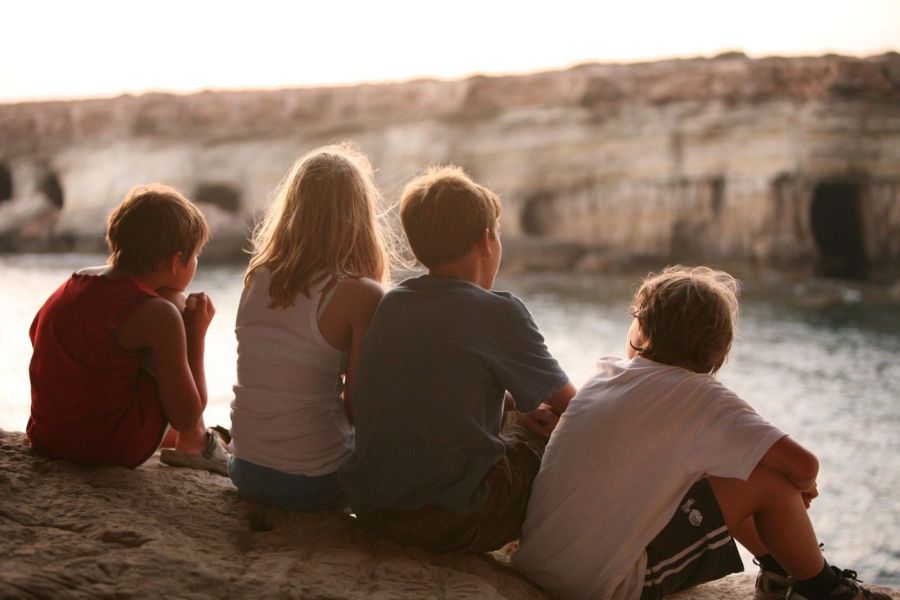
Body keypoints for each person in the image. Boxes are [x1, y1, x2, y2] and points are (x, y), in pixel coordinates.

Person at [513, 266, 890, 600]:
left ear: (641, 328)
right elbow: (805, 466)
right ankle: (823, 587)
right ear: (717, 349)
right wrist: (799, 489)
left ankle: (778, 571)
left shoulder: (605, 374)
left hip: (540, 558)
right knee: (769, 482)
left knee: (727, 463)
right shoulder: (703, 398)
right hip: (602, 587)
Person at [340, 165, 576, 553]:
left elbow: (433, 385)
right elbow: (577, 407)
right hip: (452, 523)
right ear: (486, 241)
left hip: (372, 508)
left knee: (514, 420)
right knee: (540, 439)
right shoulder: (500, 312)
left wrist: (515, 404)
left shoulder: (393, 302)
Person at [228, 144, 393, 511]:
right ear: (359, 216)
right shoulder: (359, 293)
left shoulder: (258, 276)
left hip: (246, 469)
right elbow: (360, 405)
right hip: (315, 482)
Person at [27, 184, 225, 473]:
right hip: (108, 448)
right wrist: (195, 334)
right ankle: (198, 446)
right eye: (194, 256)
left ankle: (191, 439)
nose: (195, 264)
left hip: (48, 436)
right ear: (174, 261)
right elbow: (187, 416)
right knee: (172, 307)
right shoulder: (160, 314)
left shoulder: (73, 283)